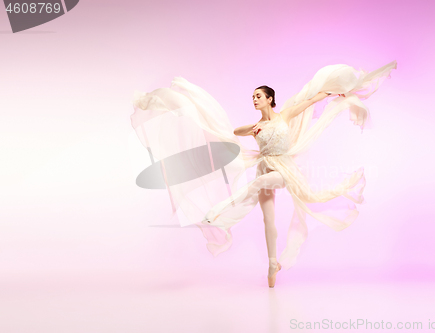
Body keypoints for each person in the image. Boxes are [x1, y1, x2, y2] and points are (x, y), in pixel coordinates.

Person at [131, 60, 397, 288]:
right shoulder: (256, 125)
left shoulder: (284, 115)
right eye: (253, 97)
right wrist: (252, 129)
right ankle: (273, 265)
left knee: (260, 182)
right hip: (264, 165)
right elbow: (235, 133)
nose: (255, 99)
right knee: (267, 220)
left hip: (283, 170)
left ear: (270, 98)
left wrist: (334, 94)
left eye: (259, 96)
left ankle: (216, 212)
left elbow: (312, 100)